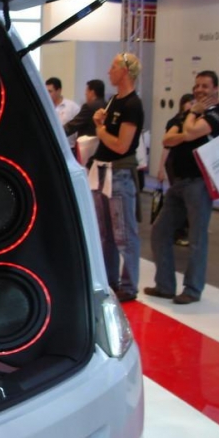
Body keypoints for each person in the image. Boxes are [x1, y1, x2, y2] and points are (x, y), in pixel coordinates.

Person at [144, 70, 219, 304]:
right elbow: (167, 139)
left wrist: (189, 120)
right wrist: (189, 125)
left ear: (215, 89)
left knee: (197, 238)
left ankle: (192, 289)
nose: (200, 89)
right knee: (160, 231)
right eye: (197, 85)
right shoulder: (188, 113)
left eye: (205, 86)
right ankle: (165, 285)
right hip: (178, 182)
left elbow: (190, 133)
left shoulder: (218, 114)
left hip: (199, 182)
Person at [90, 53, 144, 303]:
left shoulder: (132, 105)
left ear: (124, 71)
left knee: (124, 233)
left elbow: (122, 145)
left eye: (113, 67)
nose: (109, 71)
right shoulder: (114, 100)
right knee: (106, 233)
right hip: (102, 170)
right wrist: (100, 122)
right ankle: (110, 280)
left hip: (119, 173)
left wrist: (100, 130)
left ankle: (129, 285)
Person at [156, 93, 194, 246]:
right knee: (179, 197)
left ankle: (183, 229)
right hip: (173, 163)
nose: (192, 106)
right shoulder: (175, 122)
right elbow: (166, 146)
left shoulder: (194, 123)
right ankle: (178, 231)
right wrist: (161, 168)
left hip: (185, 166)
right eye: (190, 103)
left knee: (185, 199)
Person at [64, 79, 105, 166]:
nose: (85, 94)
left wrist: (57, 133)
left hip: (86, 149)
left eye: (86, 91)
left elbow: (73, 125)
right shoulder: (107, 105)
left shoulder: (89, 107)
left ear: (92, 92)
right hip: (101, 148)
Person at [46, 77, 80, 142]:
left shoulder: (72, 107)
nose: (47, 94)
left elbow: (78, 129)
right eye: (46, 91)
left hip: (68, 145)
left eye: (50, 91)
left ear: (59, 91)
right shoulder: (44, 107)